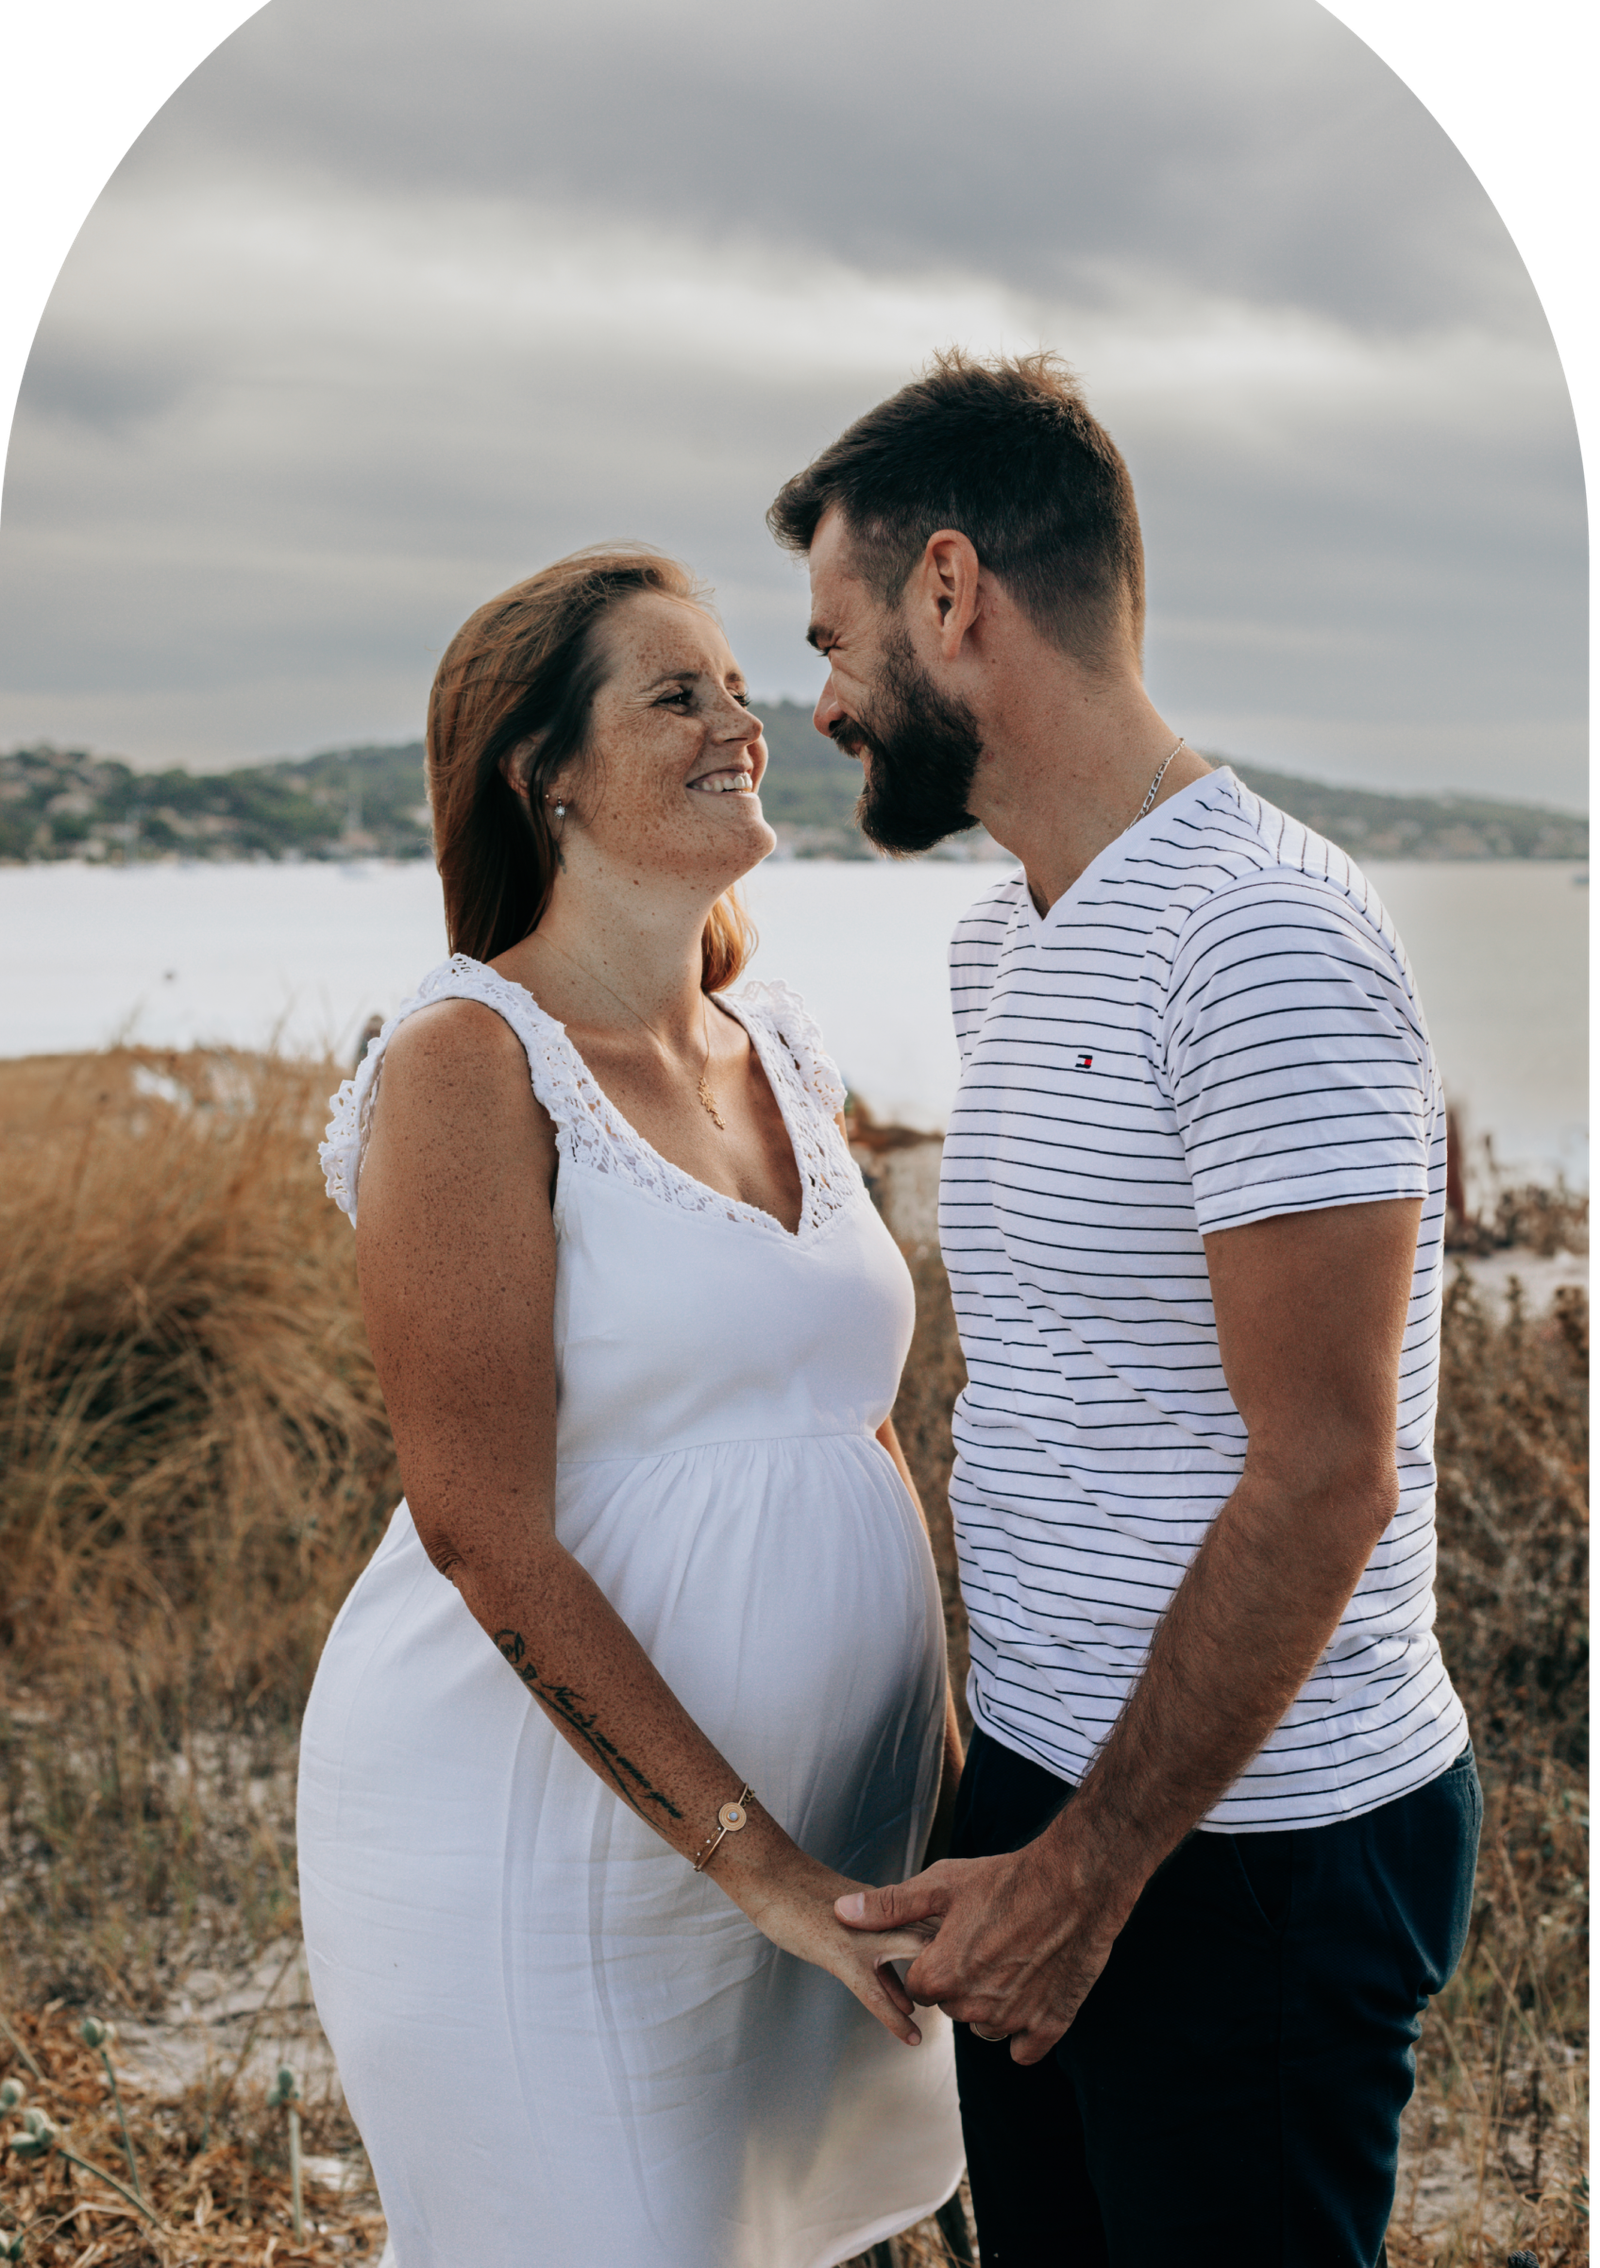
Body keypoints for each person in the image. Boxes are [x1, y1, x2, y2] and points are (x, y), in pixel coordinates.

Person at [766, 354, 1482, 2267]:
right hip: (1050, 1796)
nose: (820, 701)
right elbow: (1068, 1393)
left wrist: (1096, 1872)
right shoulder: (1007, 938)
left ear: (950, 592)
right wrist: (1011, 1802)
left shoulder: (1265, 937)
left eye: (835, 637)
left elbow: (1328, 1472)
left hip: (1244, 1849)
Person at [296, 546, 966, 2268]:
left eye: (741, 686)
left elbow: (855, 1420)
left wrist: (940, 1743)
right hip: (553, 1850)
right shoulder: (469, 1063)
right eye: (677, 693)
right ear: (545, 776)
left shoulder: (786, 1051)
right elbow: (479, 1523)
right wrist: (761, 1870)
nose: (744, 722)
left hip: (828, 1831)